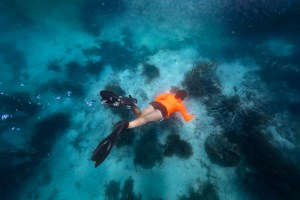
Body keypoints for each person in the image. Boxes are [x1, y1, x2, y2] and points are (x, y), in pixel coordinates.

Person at [92, 89, 195, 167]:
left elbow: (158, 98)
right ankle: (127, 125)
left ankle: (132, 104)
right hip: (163, 111)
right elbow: (186, 118)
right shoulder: (180, 105)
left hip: (156, 104)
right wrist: (191, 116)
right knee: (145, 120)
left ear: (176, 93)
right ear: (182, 98)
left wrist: (160, 102)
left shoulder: (169, 94)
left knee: (140, 115)